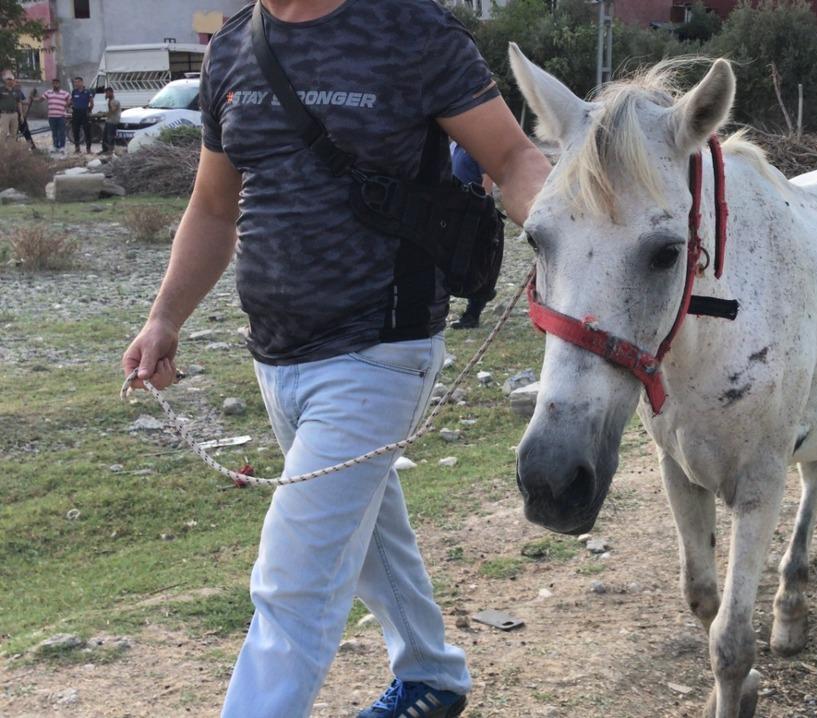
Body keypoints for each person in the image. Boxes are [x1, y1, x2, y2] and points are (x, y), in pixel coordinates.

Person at [119, 2, 549, 717]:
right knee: (370, 522)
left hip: (381, 348)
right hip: (276, 355)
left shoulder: (411, 30)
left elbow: (511, 157)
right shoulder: (235, 44)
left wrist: (558, 236)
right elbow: (213, 206)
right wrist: (164, 318)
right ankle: (432, 676)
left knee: (292, 585)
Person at [449, 141, 497, 329]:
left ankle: (473, 313)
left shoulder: (477, 145)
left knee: (476, 262)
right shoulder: (455, 146)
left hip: (473, 214)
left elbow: (488, 179)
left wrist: (481, 209)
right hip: (456, 211)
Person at [41, 78, 71, 153]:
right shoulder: (48, 92)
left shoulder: (64, 93)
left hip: (61, 116)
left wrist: (66, 105)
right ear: (52, 84)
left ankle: (62, 147)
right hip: (51, 116)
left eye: (57, 83)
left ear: (59, 84)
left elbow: (71, 99)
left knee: (61, 132)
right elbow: (41, 99)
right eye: (54, 83)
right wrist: (33, 98)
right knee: (54, 132)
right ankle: (55, 146)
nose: (55, 84)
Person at [69, 76, 94, 153]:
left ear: (81, 82)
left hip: (84, 112)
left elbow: (91, 102)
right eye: (75, 82)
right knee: (75, 130)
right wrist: (67, 106)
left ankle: (88, 149)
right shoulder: (74, 92)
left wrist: (89, 110)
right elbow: (71, 101)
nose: (76, 83)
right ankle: (77, 148)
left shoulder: (87, 92)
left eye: (77, 82)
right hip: (76, 113)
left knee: (87, 131)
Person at [0, 72, 25, 141]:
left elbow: (19, 103)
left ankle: (12, 150)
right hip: (4, 114)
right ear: (5, 80)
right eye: (8, 79)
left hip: (14, 114)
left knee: (14, 133)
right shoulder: (1, 90)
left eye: (11, 79)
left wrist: (21, 115)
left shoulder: (16, 91)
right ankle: (1, 150)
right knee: (3, 133)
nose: (10, 81)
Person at [101, 87, 121, 154]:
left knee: (110, 136)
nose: (106, 94)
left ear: (112, 93)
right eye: (106, 93)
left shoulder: (114, 101)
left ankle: (110, 151)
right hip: (109, 120)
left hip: (113, 121)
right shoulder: (110, 100)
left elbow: (113, 110)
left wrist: (104, 114)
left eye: (108, 93)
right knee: (105, 136)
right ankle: (105, 150)